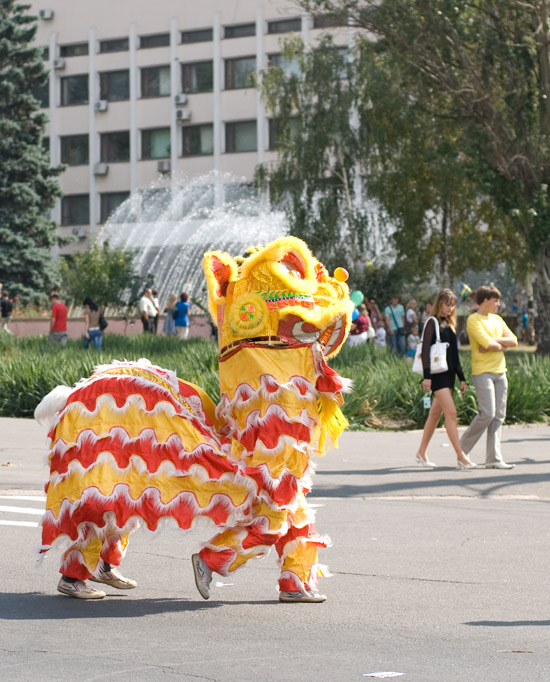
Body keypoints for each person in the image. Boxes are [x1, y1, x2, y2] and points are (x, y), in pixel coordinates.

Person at [416, 289, 477, 470]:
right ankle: (461, 456)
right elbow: (426, 351)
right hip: (437, 375)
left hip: (449, 375)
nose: (450, 308)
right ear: (439, 304)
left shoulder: (450, 324)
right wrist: (427, 377)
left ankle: (421, 452)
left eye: (452, 305)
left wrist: (462, 378)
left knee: (435, 415)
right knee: (451, 414)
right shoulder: (431, 323)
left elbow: (454, 355)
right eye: (447, 304)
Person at [459, 285, 518, 469]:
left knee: (499, 415)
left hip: (501, 371)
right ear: (485, 300)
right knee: (488, 413)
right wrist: (500, 344)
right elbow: (487, 344)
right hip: (482, 372)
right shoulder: (473, 320)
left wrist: (497, 342)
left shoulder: (498, 320)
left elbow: (514, 341)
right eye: (495, 301)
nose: (498, 304)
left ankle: (493, 458)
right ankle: (461, 450)